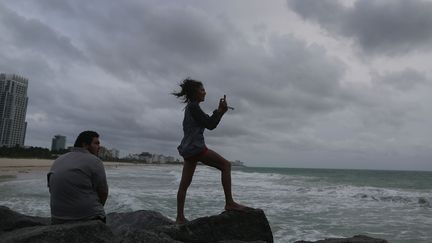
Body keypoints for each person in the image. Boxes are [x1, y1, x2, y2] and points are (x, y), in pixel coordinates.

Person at [172, 78, 247, 224]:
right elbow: (210, 124)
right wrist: (220, 111)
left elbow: (207, 121)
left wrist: (220, 111)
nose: (205, 92)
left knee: (184, 185)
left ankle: (180, 217)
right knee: (226, 165)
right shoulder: (193, 107)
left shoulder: (191, 108)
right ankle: (229, 202)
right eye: (202, 90)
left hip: (188, 149)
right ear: (195, 92)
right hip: (195, 148)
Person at [47, 131, 108, 224]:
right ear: (85, 145)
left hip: (57, 218)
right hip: (87, 218)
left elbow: (51, 189)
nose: (99, 147)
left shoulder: (59, 159)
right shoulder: (95, 161)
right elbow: (103, 192)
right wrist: (98, 208)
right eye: (96, 143)